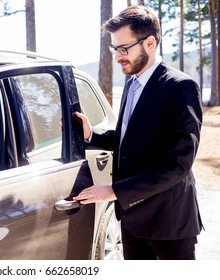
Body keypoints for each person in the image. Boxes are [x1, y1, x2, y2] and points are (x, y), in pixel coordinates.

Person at [73, 5, 203, 260]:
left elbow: (178, 164)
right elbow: (131, 140)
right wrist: (92, 135)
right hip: (131, 221)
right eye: (114, 49)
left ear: (150, 42)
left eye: (124, 49)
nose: (117, 56)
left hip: (169, 223)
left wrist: (113, 191)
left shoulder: (181, 87)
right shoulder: (132, 85)